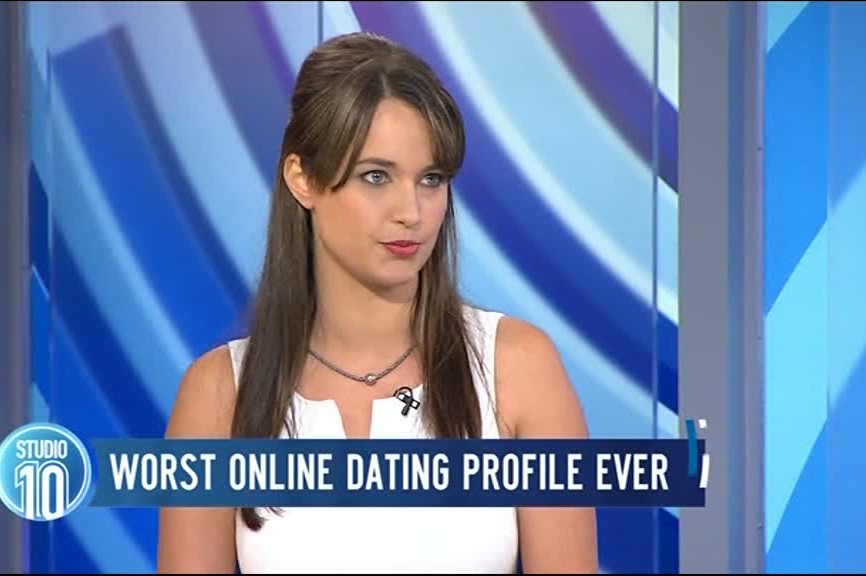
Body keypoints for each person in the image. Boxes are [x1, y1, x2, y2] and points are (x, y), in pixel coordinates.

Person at [158, 31, 597, 574]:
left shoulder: (518, 368)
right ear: (303, 179)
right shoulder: (219, 394)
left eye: (430, 179)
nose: (410, 212)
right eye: (376, 177)